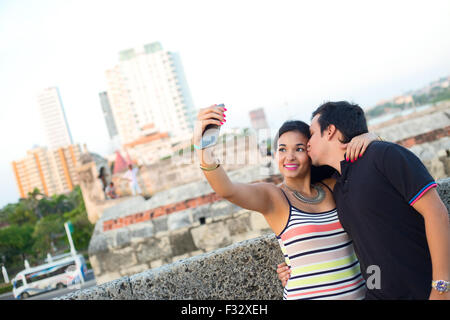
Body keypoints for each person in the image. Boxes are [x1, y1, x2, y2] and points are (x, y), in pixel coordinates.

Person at [193, 104, 379, 300]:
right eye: (282, 149)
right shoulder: (273, 197)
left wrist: (371, 138)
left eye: (299, 148)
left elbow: (372, 168)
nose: (289, 156)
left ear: (310, 152)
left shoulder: (333, 186)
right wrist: (202, 145)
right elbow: (227, 189)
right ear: (275, 155)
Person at [277, 101, 449, 300]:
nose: (308, 143)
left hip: (424, 291)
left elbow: (436, 213)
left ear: (330, 130)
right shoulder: (338, 187)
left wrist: (441, 288)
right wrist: (296, 268)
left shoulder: (383, 155)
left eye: (313, 134)